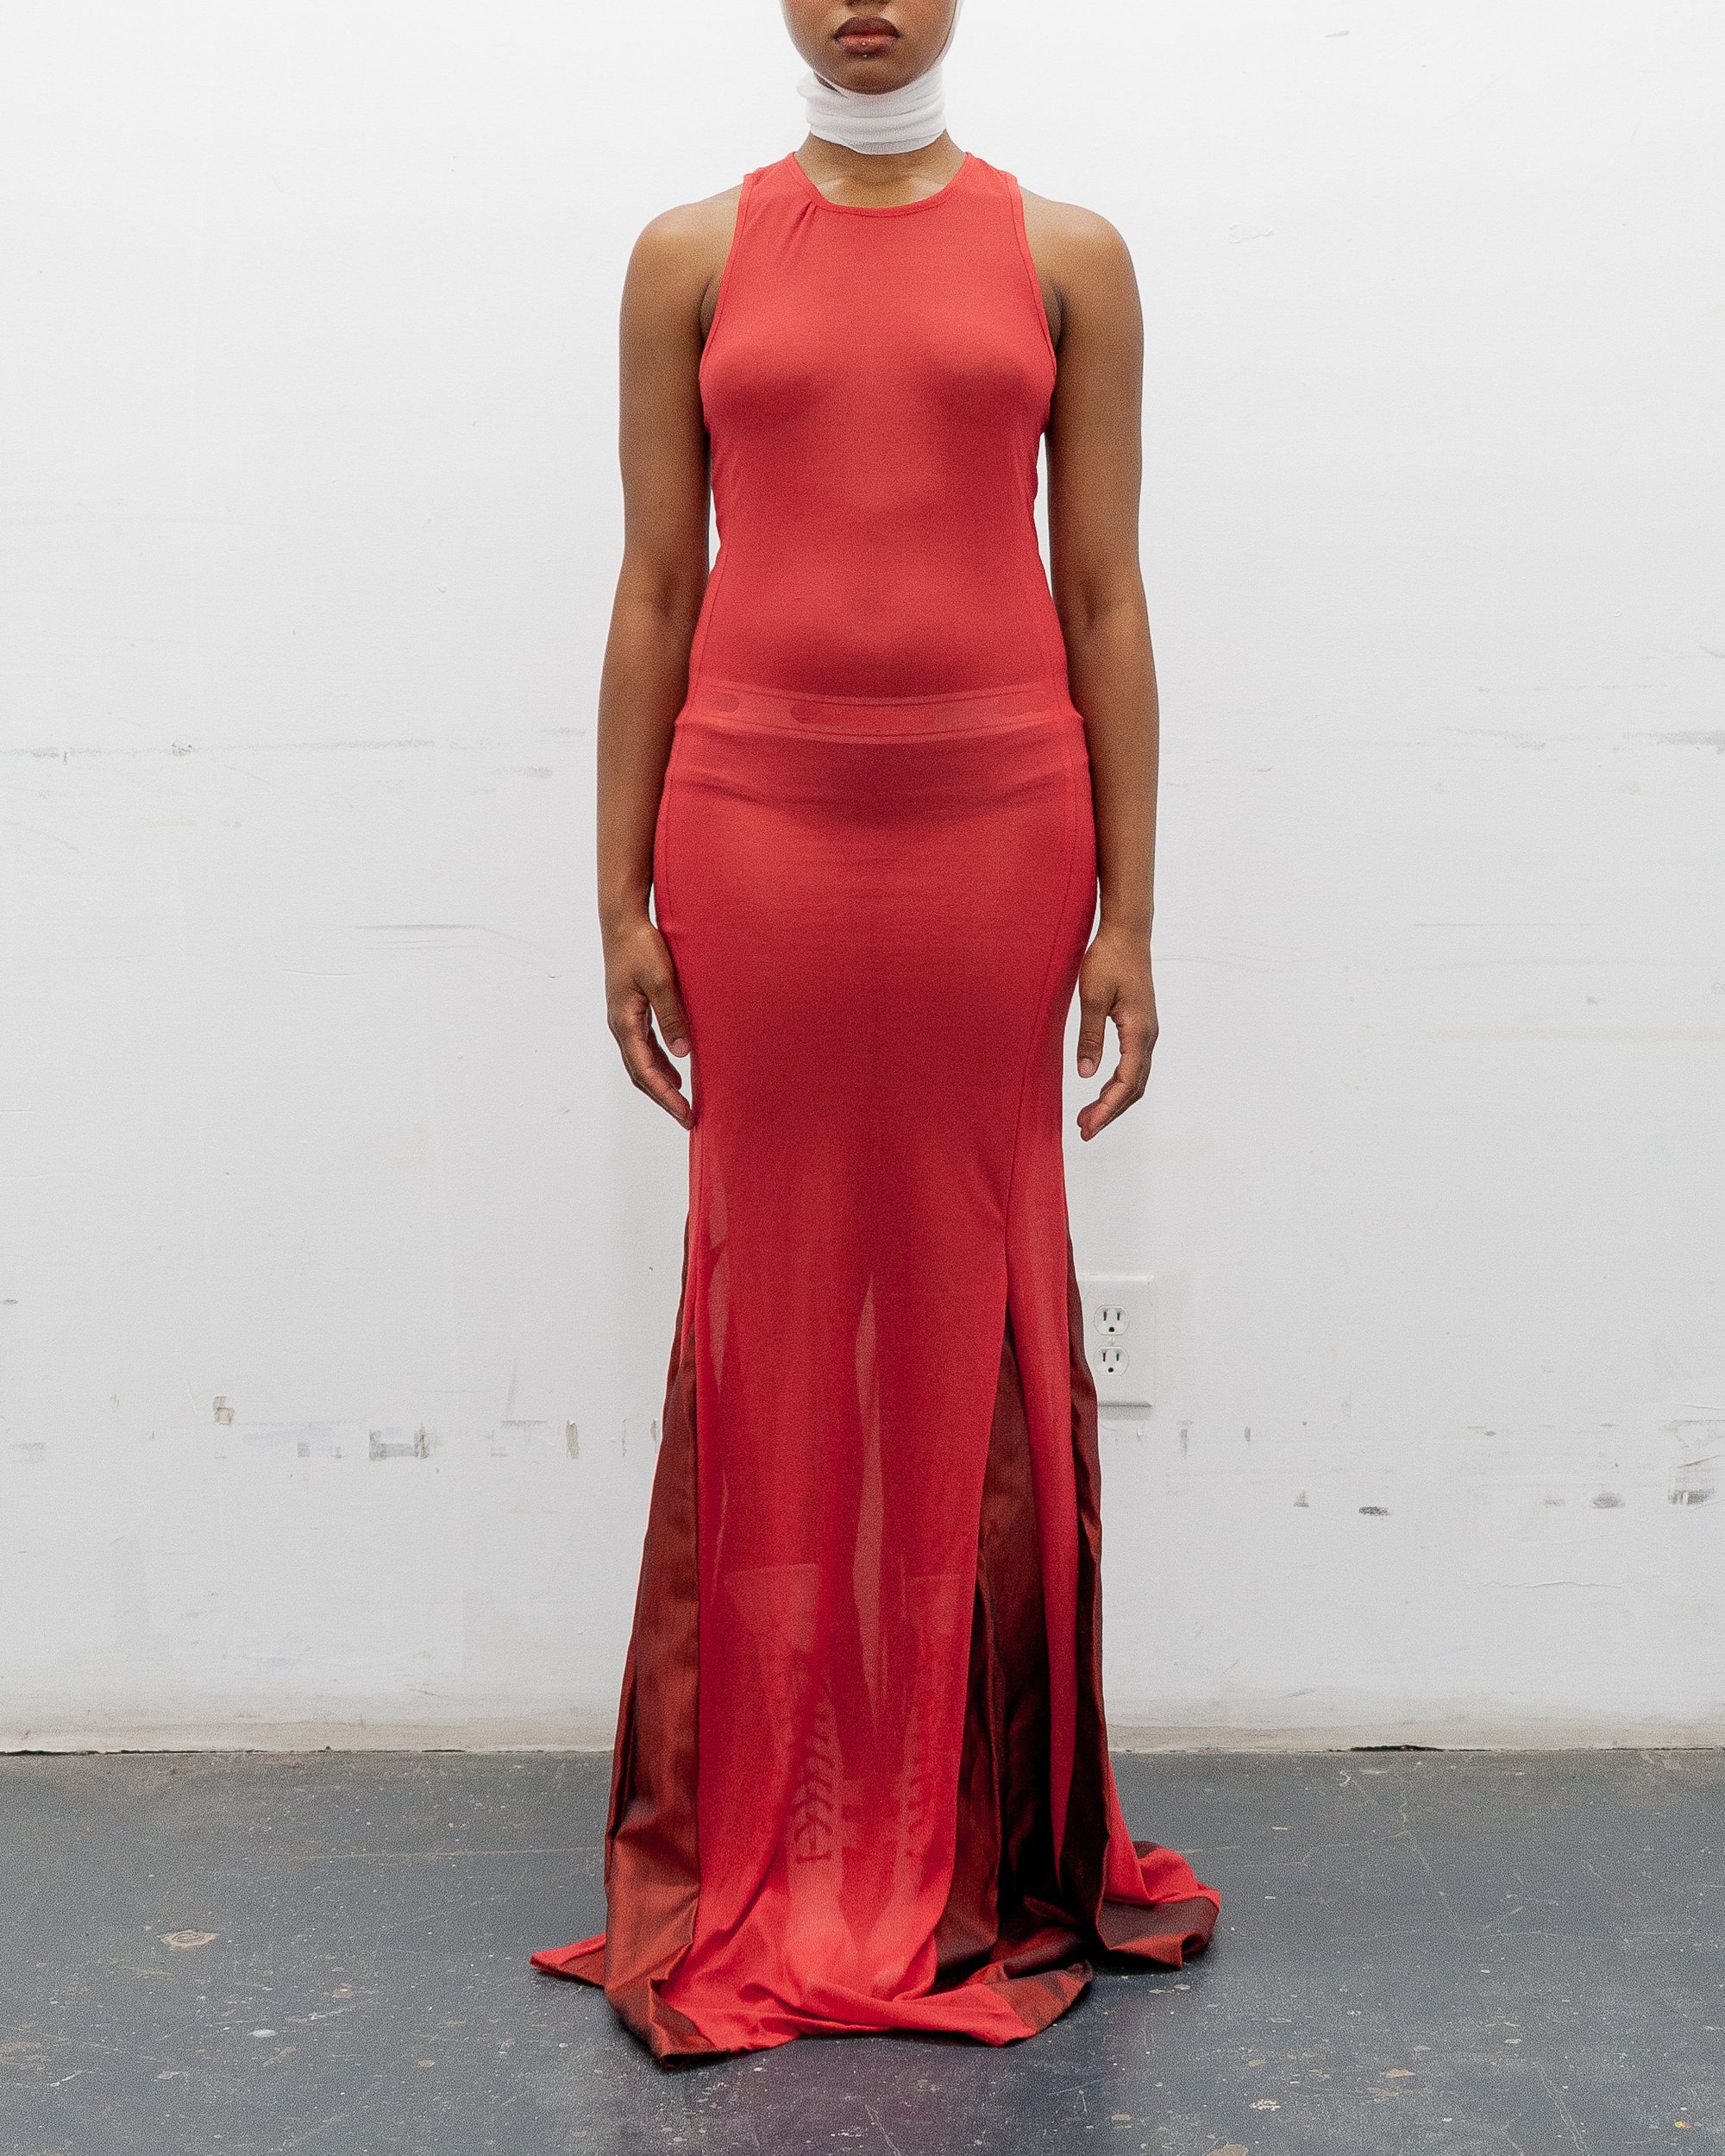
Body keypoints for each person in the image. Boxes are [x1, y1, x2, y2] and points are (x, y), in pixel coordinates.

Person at [531, 0, 1220, 2060]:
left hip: (997, 818)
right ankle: (776, 1808)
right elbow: (656, 586)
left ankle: (969, 1822)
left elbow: (1104, 594)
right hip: (750, 813)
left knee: (971, 1288)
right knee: (767, 1291)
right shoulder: (690, 256)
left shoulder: (1067, 257)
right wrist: (616, 893)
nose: (865, 2)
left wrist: (1131, 910)